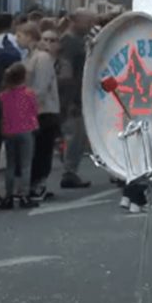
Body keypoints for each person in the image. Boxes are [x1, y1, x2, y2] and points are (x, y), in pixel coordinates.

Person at [16, 22, 60, 200]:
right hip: (34, 110)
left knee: (42, 149)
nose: (17, 39)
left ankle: (39, 184)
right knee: (33, 150)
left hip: (44, 111)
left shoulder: (41, 58)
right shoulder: (30, 56)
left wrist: (27, 104)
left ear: (29, 36)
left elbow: (41, 87)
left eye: (20, 36)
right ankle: (32, 183)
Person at [57, 10, 96, 189]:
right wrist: (71, 99)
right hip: (73, 98)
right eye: (86, 21)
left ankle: (71, 168)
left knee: (78, 136)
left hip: (79, 95)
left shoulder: (78, 41)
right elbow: (67, 74)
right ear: (74, 21)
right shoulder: (68, 43)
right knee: (74, 134)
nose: (89, 25)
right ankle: (69, 171)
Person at [0, 62, 40, 209]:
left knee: (10, 164)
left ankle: (8, 196)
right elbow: (34, 111)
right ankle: (24, 195)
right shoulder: (29, 94)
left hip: (9, 131)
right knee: (26, 165)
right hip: (26, 130)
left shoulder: (3, 96)